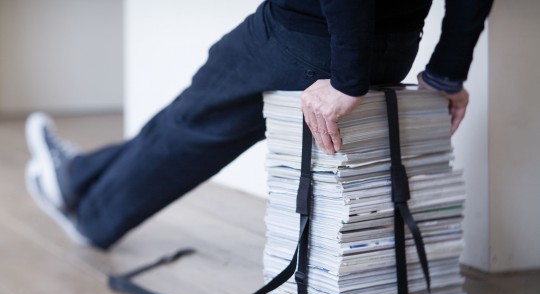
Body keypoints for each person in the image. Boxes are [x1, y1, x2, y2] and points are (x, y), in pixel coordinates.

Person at [25, 0, 494, 250]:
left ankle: (92, 218)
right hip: (396, 45)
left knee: (193, 123)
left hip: (307, 35)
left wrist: (347, 79)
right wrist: (447, 72)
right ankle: (76, 175)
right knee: (197, 117)